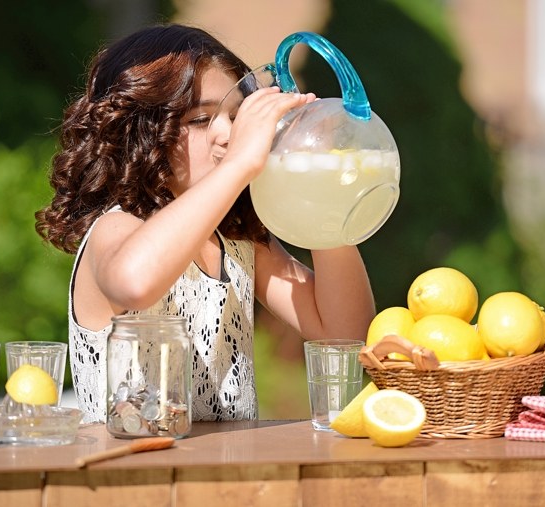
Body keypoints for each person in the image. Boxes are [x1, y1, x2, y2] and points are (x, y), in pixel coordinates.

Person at [35, 23, 375, 423]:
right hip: (129, 479)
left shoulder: (238, 241)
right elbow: (134, 282)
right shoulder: (116, 228)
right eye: (200, 120)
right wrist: (239, 164)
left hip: (227, 481)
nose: (229, 135)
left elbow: (347, 337)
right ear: (139, 132)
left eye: (236, 116)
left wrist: (321, 197)